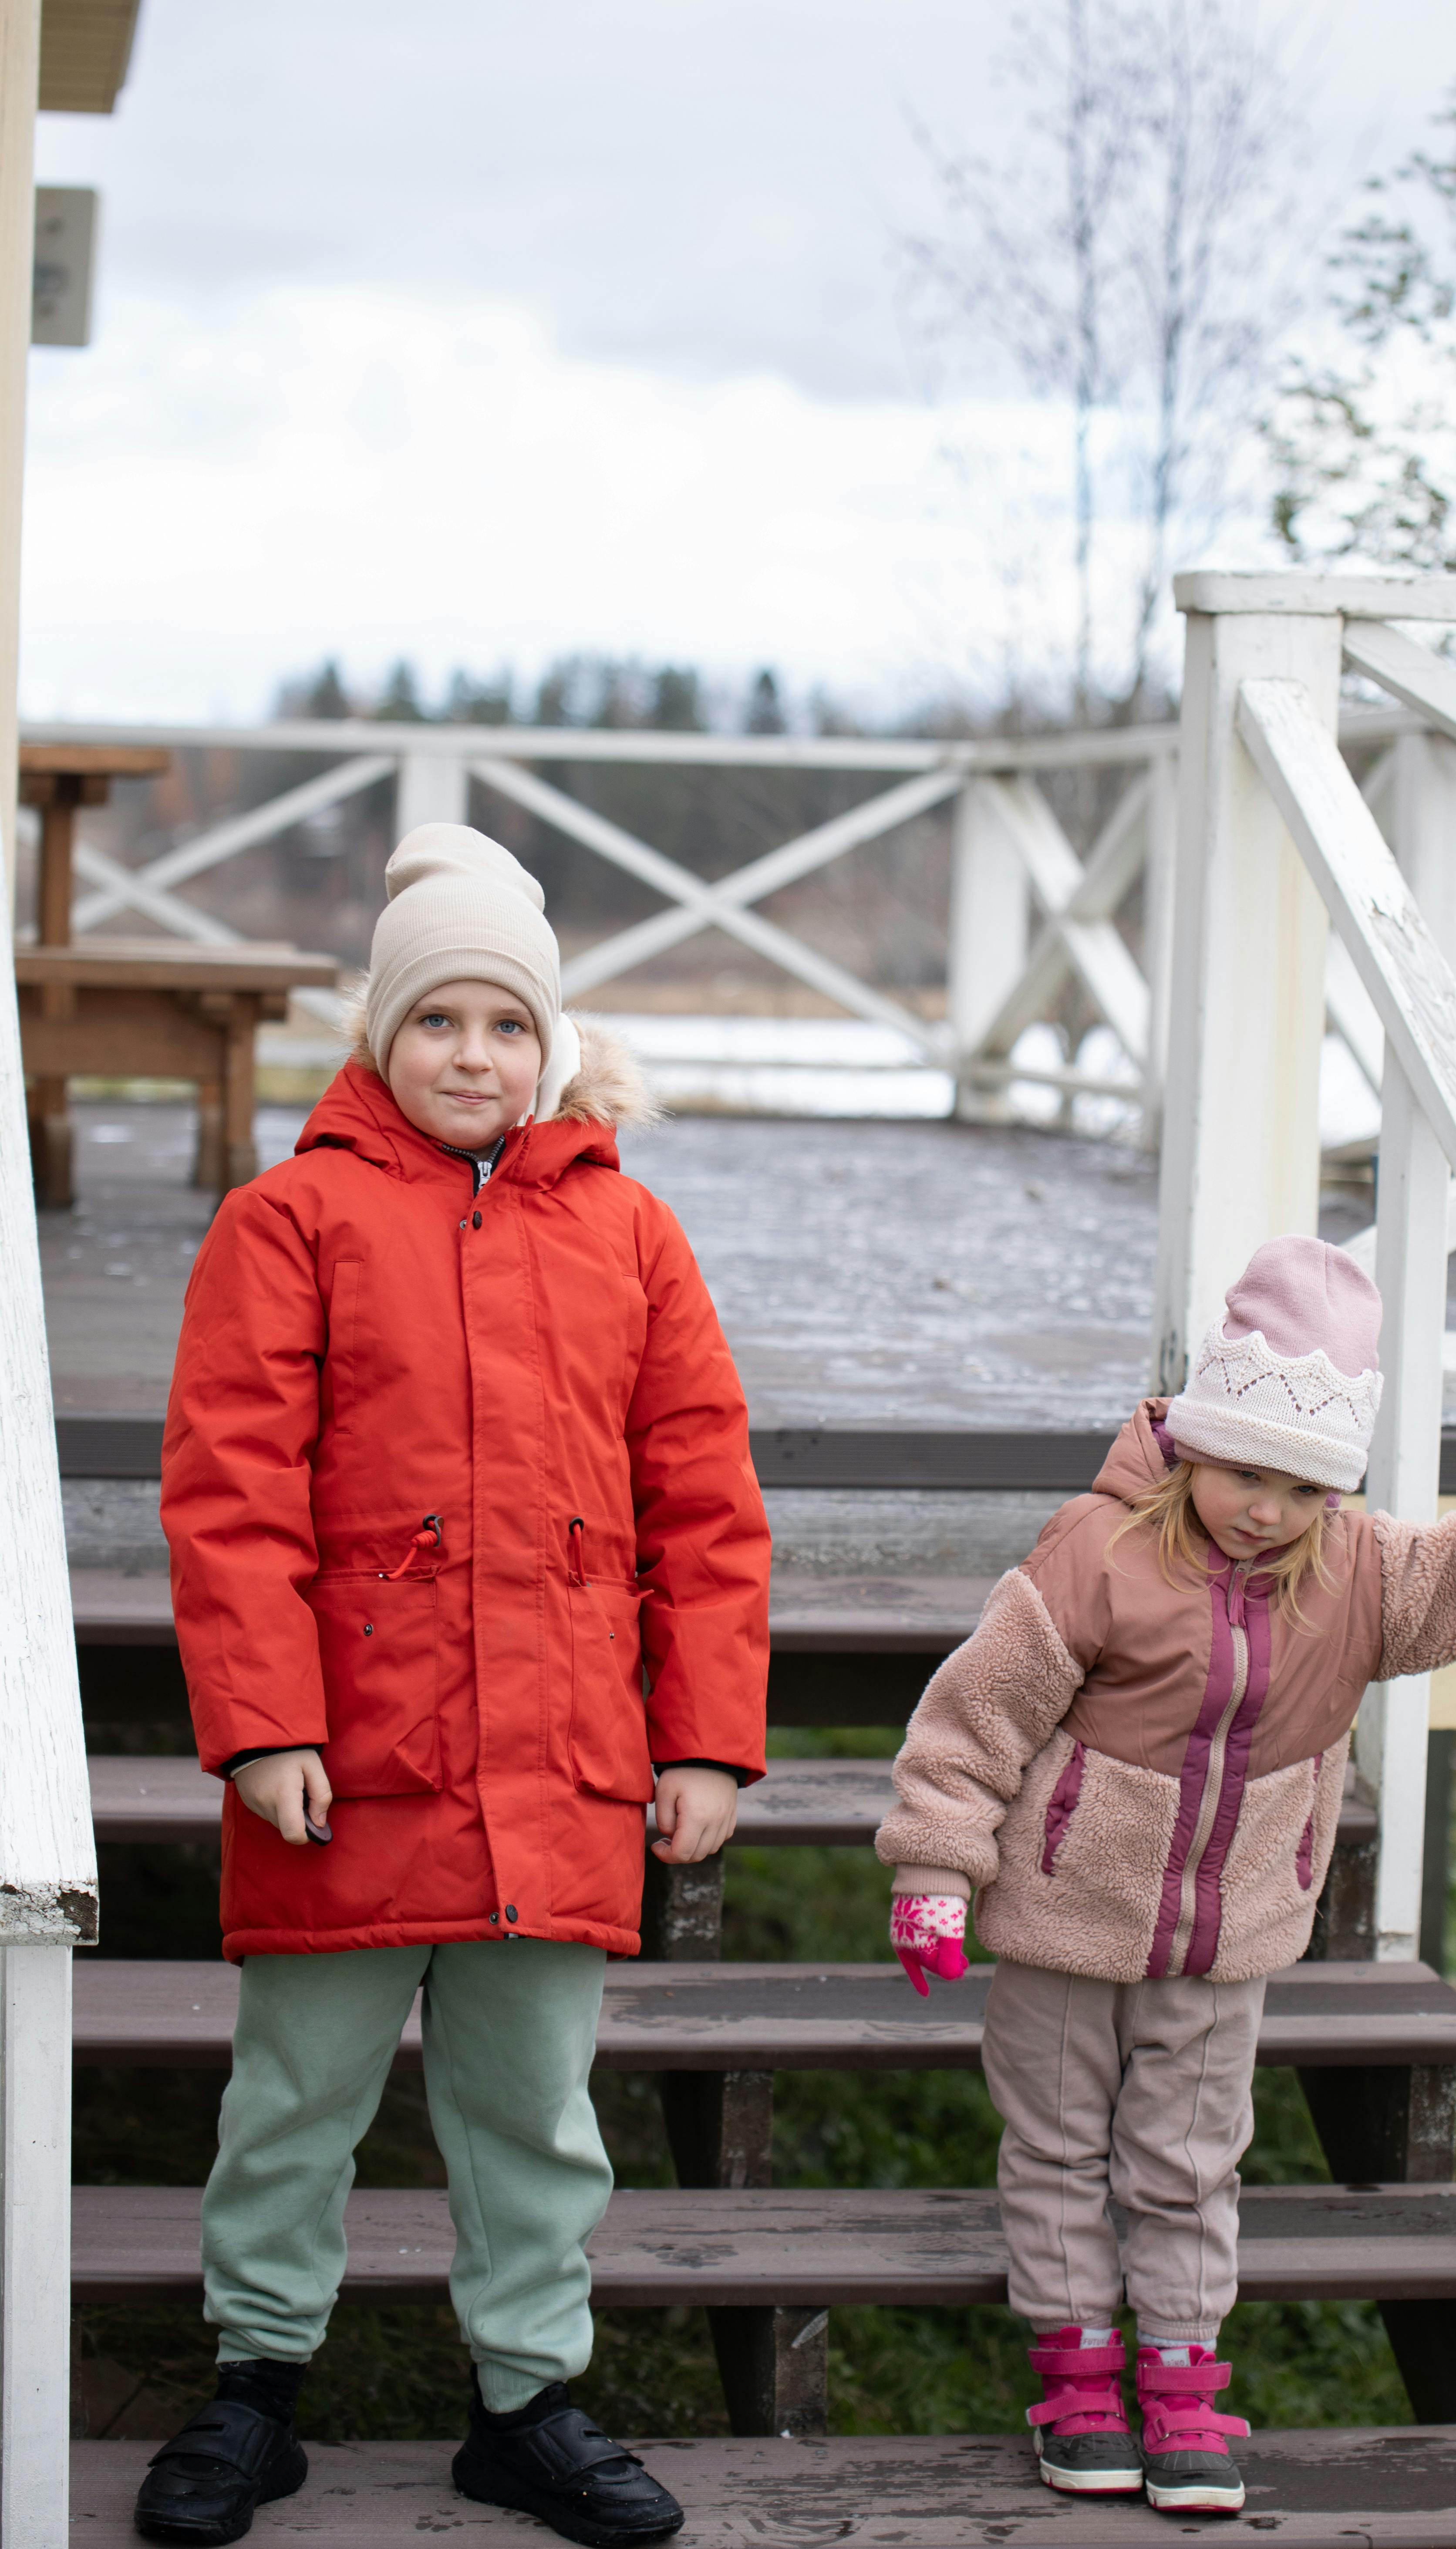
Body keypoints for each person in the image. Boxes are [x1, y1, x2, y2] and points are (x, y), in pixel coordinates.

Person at [136, 824, 769, 2549]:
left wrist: (707, 1734)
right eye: (438, 1023)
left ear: (549, 1045)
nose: (473, 1055)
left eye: (507, 1024)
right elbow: (228, 1483)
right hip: (352, 1762)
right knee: (294, 2102)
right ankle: (256, 2385)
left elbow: (707, 1501)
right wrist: (263, 1720)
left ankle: (526, 2400)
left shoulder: (632, 1238)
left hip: (559, 1764)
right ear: (377, 1039)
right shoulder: (292, 1223)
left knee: (533, 2113)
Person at [876, 1234, 1456, 2517]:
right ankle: (1080, 2378)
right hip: (1063, 1923)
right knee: (1055, 2150)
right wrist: (935, 1864)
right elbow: (978, 1716)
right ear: (1195, 1443)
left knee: (1190, 2163)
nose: (1268, 1509)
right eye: (1246, 1472)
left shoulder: (1360, 1576)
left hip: (1229, 1941)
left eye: (1304, 1488)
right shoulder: (1096, 1553)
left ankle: (1183, 2380)